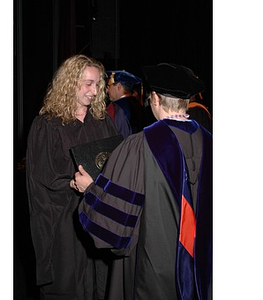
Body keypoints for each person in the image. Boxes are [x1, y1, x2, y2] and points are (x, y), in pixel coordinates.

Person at [71, 63, 212, 299]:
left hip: (152, 270)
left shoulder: (140, 145)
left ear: (154, 99)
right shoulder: (209, 141)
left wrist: (90, 191)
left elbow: (114, 226)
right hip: (203, 265)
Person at [26, 54, 120, 300]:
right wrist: (70, 183)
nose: (94, 90)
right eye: (88, 83)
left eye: (98, 84)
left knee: (101, 283)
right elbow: (39, 178)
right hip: (64, 221)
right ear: (69, 83)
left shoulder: (102, 122)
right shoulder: (47, 125)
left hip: (98, 216)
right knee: (69, 285)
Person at [106, 70, 144, 138]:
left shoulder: (114, 107)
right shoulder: (138, 104)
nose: (107, 90)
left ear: (118, 86)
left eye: (109, 86)